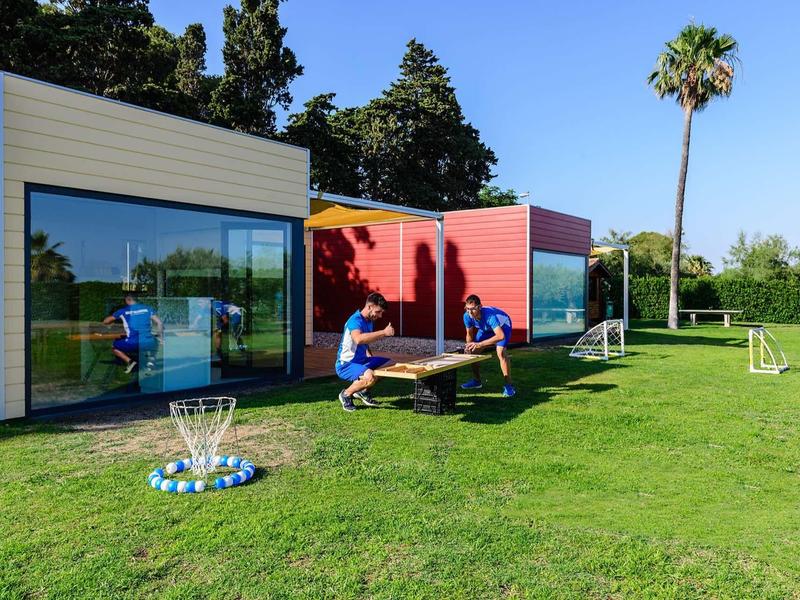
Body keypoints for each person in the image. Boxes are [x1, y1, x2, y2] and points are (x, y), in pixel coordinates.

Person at [335, 292, 395, 412]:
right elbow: (359, 339)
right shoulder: (355, 320)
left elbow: (365, 342)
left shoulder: (368, 321)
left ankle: (363, 391)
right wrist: (383, 332)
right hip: (346, 364)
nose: (380, 315)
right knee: (370, 377)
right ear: (369, 307)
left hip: (361, 361)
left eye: (382, 312)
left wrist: (370, 359)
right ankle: (346, 394)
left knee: (391, 366)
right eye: (378, 312)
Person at [461, 294, 516, 397]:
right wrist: (469, 346)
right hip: (486, 329)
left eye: (472, 309)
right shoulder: (467, 316)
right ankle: (477, 381)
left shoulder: (490, 316)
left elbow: (500, 336)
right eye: (467, 309)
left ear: (479, 307)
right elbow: (469, 334)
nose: (469, 312)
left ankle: (509, 386)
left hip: (503, 327)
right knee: (473, 353)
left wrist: (480, 344)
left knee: (501, 352)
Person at [103, 293, 163, 374]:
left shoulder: (123, 311)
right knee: (155, 341)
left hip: (133, 343)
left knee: (114, 346)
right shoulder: (148, 308)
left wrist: (113, 321)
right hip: (147, 342)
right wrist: (160, 337)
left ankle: (130, 362)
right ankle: (151, 362)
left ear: (127, 300)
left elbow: (106, 321)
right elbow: (159, 323)